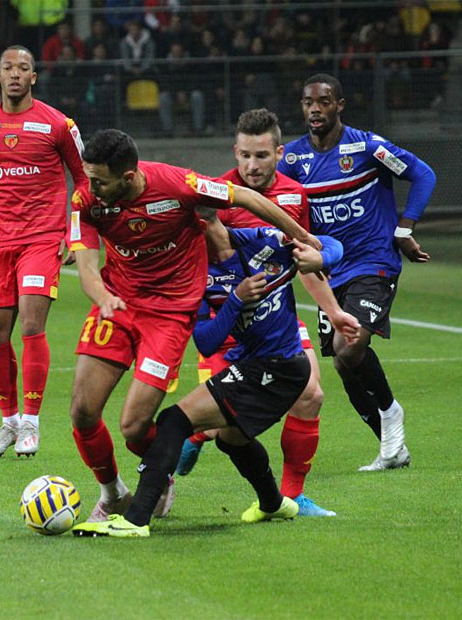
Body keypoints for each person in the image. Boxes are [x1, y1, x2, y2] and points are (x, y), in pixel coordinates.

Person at [64, 129, 318, 523]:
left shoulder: (177, 185)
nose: (89, 186)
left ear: (128, 177)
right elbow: (85, 269)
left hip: (169, 314)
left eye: (99, 180)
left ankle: (158, 473)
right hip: (117, 303)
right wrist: (103, 298)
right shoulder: (87, 201)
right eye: (88, 177)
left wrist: (303, 237)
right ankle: (113, 493)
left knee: (134, 427)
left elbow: (246, 197)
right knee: (82, 410)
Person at [72, 209, 346, 537]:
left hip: (281, 367)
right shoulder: (196, 273)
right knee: (233, 439)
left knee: (175, 420)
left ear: (200, 224)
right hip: (251, 365)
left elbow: (330, 244)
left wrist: (320, 257)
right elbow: (205, 341)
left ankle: (136, 520)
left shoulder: (263, 241)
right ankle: (274, 503)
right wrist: (236, 301)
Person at [175, 109, 361, 517]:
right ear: (234, 152)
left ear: (279, 152)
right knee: (225, 424)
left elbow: (305, 261)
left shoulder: (294, 195)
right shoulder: (217, 194)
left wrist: (335, 311)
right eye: (244, 155)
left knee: (311, 394)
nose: (251, 165)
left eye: (261, 155)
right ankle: (193, 439)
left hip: (276, 314)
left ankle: (292, 497)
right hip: (227, 321)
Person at [278, 74, 437, 471]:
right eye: (308, 102)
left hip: (373, 261)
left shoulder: (368, 148)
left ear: (340, 106)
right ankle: (391, 447)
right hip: (327, 271)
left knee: (351, 347)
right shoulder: (293, 160)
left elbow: (424, 175)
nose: (315, 109)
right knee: (342, 363)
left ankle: (392, 414)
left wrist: (405, 229)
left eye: (324, 101)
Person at [0, 45, 87, 458]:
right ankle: (7, 423)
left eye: (23, 68)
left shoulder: (58, 124)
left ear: (33, 77)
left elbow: (83, 180)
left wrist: (73, 233)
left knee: (30, 323)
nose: (14, 74)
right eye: (7, 67)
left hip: (43, 238)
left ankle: (31, 422)